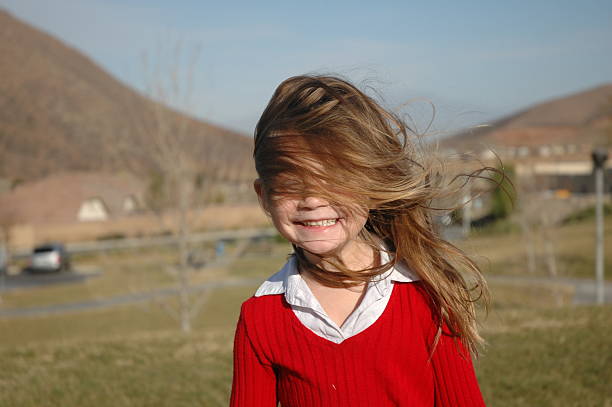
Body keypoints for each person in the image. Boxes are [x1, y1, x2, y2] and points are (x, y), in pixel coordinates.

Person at [230, 75, 490, 406]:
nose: (312, 199)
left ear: (370, 184)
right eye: (291, 183)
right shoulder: (261, 317)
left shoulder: (428, 294)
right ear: (264, 197)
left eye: (335, 179)